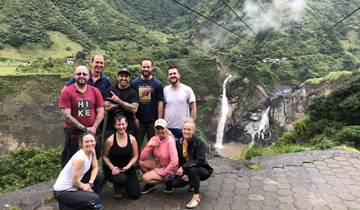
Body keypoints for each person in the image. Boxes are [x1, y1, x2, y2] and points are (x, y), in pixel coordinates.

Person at [58, 66, 104, 167]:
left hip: (91, 133)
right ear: (74, 75)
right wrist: (84, 129)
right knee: (73, 161)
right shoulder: (67, 92)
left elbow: (100, 111)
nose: (81, 76)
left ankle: (90, 180)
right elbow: (67, 115)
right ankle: (74, 182)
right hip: (74, 134)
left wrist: (94, 128)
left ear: (89, 76)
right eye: (79, 74)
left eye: (84, 74)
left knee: (92, 158)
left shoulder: (95, 91)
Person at [53, 132, 104, 210]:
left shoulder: (91, 151)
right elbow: (75, 183)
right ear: (81, 143)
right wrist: (85, 187)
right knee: (95, 199)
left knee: (99, 176)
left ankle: (85, 200)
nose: (90, 144)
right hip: (63, 192)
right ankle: (64, 206)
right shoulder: (80, 159)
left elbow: (95, 168)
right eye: (87, 142)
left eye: (92, 141)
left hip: (74, 185)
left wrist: (90, 183)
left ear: (95, 141)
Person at [172, 118, 213, 209]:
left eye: (189, 129)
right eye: (184, 129)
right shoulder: (178, 143)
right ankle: (192, 182)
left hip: (202, 170)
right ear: (182, 130)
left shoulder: (199, 143)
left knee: (193, 169)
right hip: (188, 169)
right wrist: (185, 172)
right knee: (175, 183)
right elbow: (179, 159)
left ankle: (196, 196)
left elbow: (200, 161)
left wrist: (184, 168)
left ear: (193, 131)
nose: (186, 131)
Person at [102, 114, 140, 200]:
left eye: (123, 124)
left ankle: (127, 185)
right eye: (118, 125)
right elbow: (105, 157)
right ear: (115, 125)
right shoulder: (110, 140)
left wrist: (129, 166)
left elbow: (135, 156)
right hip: (115, 169)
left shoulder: (132, 139)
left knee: (135, 195)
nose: (121, 127)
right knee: (121, 179)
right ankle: (118, 187)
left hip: (128, 168)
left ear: (127, 124)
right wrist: (112, 167)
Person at [131, 58, 164, 149]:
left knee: (155, 147)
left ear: (152, 68)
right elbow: (131, 102)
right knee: (136, 146)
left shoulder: (158, 84)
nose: (146, 69)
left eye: (148, 67)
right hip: (138, 121)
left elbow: (160, 102)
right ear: (140, 67)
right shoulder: (134, 83)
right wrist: (134, 118)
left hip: (152, 122)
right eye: (144, 67)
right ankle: (135, 163)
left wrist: (159, 121)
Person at [139, 119, 178, 194]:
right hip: (159, 165)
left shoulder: (170, 141)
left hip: (170, 169)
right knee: (140, 162)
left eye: (162, 128)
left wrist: (164, 172)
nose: (160, 130)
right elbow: (142, 157)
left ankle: (168, 182)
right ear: (155, 129)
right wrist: (149, 145)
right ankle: (152, 183)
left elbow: (175, 161)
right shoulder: (154, 139)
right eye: (158, 128)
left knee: (145, 178)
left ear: (166, 128)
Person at [104, 67, 138, 139]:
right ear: (117, 77)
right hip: (111, 128)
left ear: (129, 78)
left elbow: (134, 109)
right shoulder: (110, 90)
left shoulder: (133, 92)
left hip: (128, 129)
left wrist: (118, 101)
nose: (124, 78)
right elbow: (107, 107)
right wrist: (126, 105)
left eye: (126, 76)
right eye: (121, 76)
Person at [164, 66, 197, 138]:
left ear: (179, 75)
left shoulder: (187, 89)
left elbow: (193, 108)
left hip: (183, 129)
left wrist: (190, 125)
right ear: (168, 76)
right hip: (168, 128)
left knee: (184, 149)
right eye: (170, 74)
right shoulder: (165, 90)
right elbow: (162, 107)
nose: (172, 76)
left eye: (174, 73)